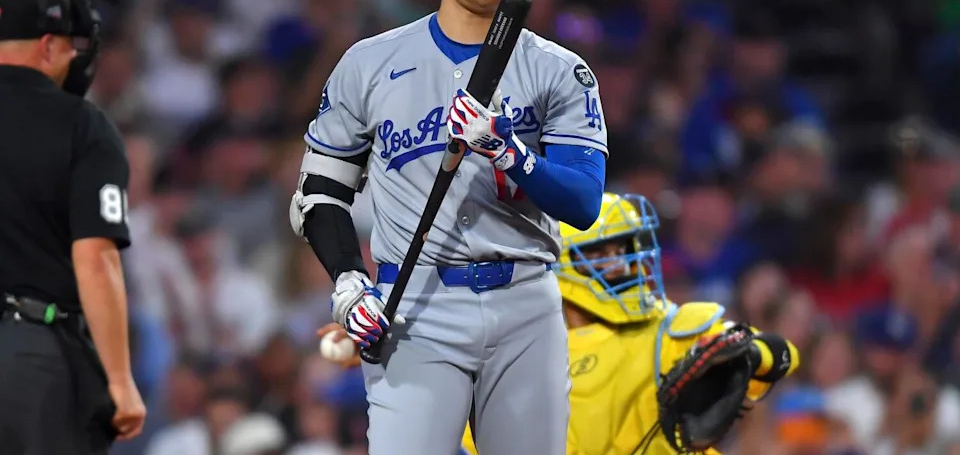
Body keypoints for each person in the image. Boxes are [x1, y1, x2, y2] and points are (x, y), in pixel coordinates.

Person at [289, 0, 607, 454]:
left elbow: (583, 203)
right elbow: (320, 191)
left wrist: (512, 153)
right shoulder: (370, 63)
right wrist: (347, 281)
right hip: (416, 303)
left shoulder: (560, 71)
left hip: (525, 302)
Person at [322, 192, 800, 454]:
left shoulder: (675, 328)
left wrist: (749, 355)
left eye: (625, 250)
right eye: (602, 252)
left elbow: (779, 356)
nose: (619, 263)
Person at [0, 0, 146, 453]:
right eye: (69, 48)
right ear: (47, 46)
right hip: (29, 358)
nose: (74, 60)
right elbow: (95, 258)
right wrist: (120, 380)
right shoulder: (80, 123)